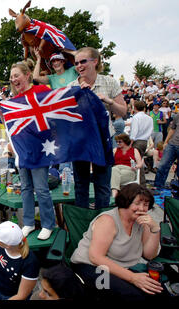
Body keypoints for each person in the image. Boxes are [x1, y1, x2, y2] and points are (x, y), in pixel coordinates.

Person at [70, 184, 163, 301]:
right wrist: (133, 277)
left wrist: (155, 229)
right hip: (91, 267)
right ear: (126, 202)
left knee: (157, 290)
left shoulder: (142, 222)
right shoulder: (108, 220)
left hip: (118, 268)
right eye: (137, 203)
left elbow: (149, 255)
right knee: (133, 296)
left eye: (146, 204)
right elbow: (95, 257)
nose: (142, 209)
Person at [1, 59, 57, 240]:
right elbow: (12, 127)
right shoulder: (14, 100)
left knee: (41, 188)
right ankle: (29, 223)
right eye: (11, 77)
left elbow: (54, 110)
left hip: (40, 149)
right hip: (23, 150)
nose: (13, 79)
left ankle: (48, 224)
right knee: (25, 187)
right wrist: (3, 114)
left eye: (16, 75)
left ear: (27, 75)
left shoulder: (41, 91)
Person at [69, 47, 127, 209]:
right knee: (81, 185)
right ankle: (82, 224)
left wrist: (108, 101)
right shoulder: (72, 86)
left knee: (102, 185)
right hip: (80, 141)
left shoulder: (109, 82)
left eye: (83, 61)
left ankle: (103, 222)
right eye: (76, 63)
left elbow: (122, 111)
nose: (79, 66)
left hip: (102, 140)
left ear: (95, 61)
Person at [111, 134, 143, 198]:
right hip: (117, 168)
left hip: (129, 169)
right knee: (114, 170)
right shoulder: (115, 150)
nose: (118, 143)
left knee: (113, 176)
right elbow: (110, 162)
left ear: (125, 141)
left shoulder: (134, 150)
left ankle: (114, 194)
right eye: (117, 141)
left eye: (120, 142)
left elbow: (140, 164)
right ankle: (115, 193)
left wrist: (136, 166)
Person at [154, 111, 179, 189]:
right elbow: (172, 129)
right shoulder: (177, 116)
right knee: (162, 165)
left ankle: (176, 189)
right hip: (172, 144)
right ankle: (158, 186)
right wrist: (166, 142)